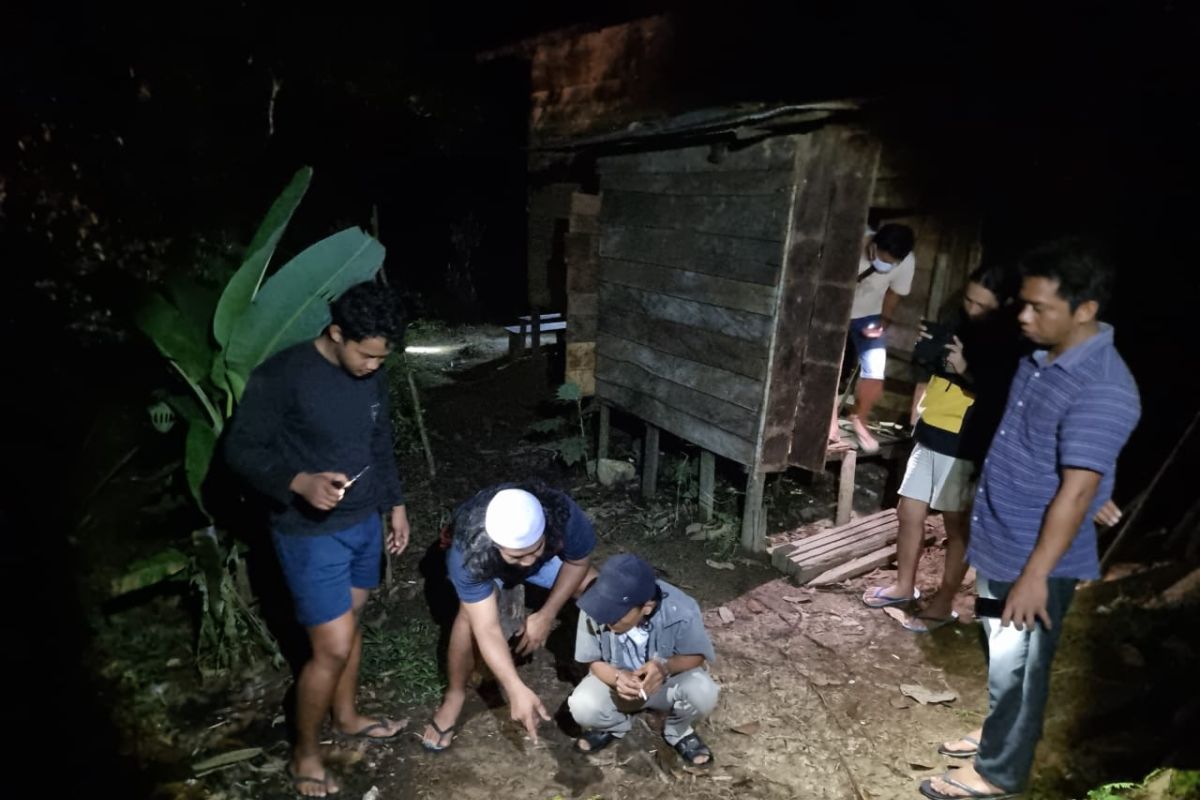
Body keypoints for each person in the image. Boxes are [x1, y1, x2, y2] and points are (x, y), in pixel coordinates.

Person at [920, 239, 1140, 800]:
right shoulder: (1040, 358)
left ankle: (1000, 772)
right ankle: (998, 730)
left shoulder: (1104, 387)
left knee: (1024, 665)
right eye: (1024, 303)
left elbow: (1076, 490)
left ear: (1085, 310)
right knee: (1000, 652)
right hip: (1000, 538)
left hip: (1036, 556)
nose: (1023, 316)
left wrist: (1038, 575)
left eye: (1039, 307)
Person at [225, 282, 411, 798]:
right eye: (366, 355)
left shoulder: (371, 373)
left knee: (350, 630)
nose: (374, 366)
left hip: (361, 526)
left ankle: (347, 715)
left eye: (382, 357)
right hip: (309, 535)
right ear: (335, 333)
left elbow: (378, 441)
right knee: (329, 649)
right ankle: (304, 754)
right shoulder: (283, 375)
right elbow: (240, 449)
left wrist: (393, 504)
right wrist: (297, 481)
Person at [862, 264, 1024, 631]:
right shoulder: (957, 319)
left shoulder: (1011, 341)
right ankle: (905, 587)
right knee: (909, 512)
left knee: (957, 526)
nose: (971, 308)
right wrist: (928, 352)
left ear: (1002, 305)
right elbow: (930, 369)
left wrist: (967, 369)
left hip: (966, 438)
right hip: (932, 425)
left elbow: (1004, 394)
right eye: (968, 299)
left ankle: (944, 603)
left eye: (981, 305)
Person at [422, 482, 597, 750]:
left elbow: (578, 562)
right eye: (519, 555)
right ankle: (455, 695)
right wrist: (515, 688)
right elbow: (487, 628)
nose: (527, 561)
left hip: (546, 560)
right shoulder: (468, 552)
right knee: (468, 619)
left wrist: (546, 614)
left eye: (533, 549)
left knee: (598, 588)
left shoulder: (562, 515)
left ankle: (599, 675)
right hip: (493, 568)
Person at [568, 554, 719, 767]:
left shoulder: (682, 608)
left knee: (704, 691)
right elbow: (592, 659)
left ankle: (678, 730)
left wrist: (665, 667)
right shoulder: (597, 605)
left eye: (617, 615)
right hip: (616, 683)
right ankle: (615, 725)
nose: (608, 620)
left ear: (646, 607)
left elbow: (697, 654)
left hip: (667, 683)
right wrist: (617, 677)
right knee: (582, 706)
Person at [832, 223, 917, 453]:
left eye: (891, 263)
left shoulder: (906, 261)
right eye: (882, 257)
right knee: (832, 368)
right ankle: (829, 426)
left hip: (867, 315)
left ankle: (860, 417)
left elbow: (894, 293)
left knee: (875, 368)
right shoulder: (852, 242)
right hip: (833, 310)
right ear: (874, 243)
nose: (886, 265)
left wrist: (884, 321)